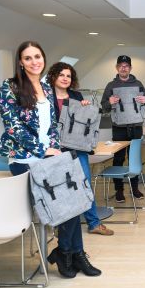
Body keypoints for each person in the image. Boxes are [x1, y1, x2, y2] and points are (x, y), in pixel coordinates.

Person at [0, 41, 101, 278]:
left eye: (38, 56)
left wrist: (53, 146)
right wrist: (43, 149)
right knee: (62, 205)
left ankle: (71, 253)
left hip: (50, 154)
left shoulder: (46, 87)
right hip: (24, 158)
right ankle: (68, 253)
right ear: (20, 62)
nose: (34, 62)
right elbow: (12, 127)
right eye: (28, 58)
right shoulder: (10, 87)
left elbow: (54, 125)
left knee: (74, 202)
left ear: (43, 59)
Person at [47, 62, 114, 236]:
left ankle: (94, 223)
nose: (65, 78)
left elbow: (86, 118)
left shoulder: (76, 96)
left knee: (84, 185)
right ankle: (61, 225)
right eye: (61, 75)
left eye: (68, 76)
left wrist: (85, 107)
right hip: (54, 149)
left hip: (77, 148)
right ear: (53, 76)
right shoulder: (46, 97)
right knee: (60, 188)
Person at [101, 55, 145, 203]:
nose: (124, 68)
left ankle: (134, 188)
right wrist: (109, 102)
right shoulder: (111, 85)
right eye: (121, 65)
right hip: (119, 127)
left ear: (130, 68)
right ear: (117, 68)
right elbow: (104, 106)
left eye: (126, 65)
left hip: (136, 126)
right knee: (119, 158)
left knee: (134, 159)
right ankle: (119, 190)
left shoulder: (138, 83)